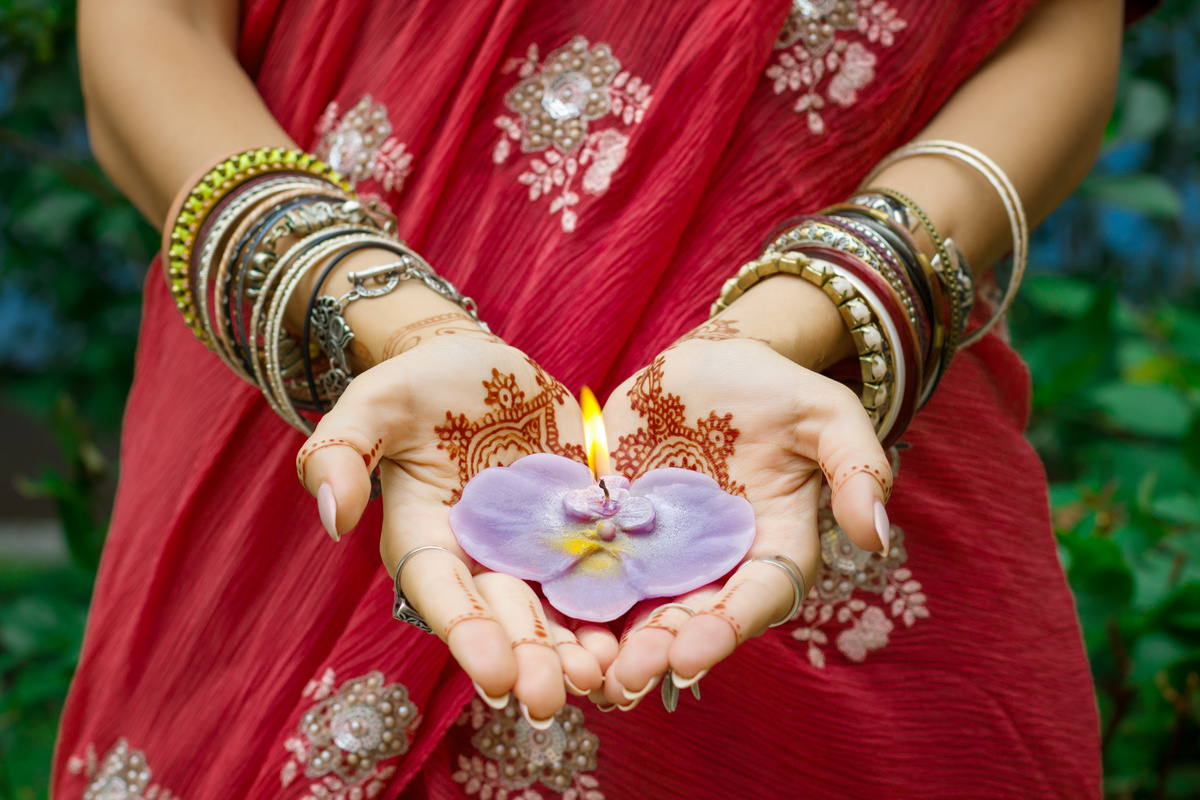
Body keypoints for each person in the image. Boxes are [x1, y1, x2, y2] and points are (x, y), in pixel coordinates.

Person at [55, 0, 1148, 797]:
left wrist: (831, 296)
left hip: (822, 492)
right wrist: (363, 307)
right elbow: (150, 29)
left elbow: (1063, 35)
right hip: (312, 453)